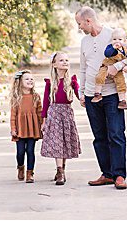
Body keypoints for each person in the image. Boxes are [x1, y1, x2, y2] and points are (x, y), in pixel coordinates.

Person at [76, 6, 127, 190]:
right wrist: (82, 92)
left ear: (88, 21)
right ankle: (106, 173)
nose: (79, 28)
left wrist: (117, 67)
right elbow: (84, 68)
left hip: (112, 94)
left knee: (116, 134)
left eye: (79, 24)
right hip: (92, 95)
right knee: (99, 136)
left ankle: (119, 175)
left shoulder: (113, 34)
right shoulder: (84, 41)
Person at [40, 52, 82, 186]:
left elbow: (79, 95)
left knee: (64, 142)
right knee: (57, 141)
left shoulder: (72, 81)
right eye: (61, 60)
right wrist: (44, 120)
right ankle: (59, 171)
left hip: (67, 114)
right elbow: (46, 102)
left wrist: (84, 99)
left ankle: (62, 169)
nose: (65, 62)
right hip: (54, 114)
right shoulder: (50, 82)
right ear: (54, 64)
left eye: (67, 60)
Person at [9, 70, 42, 183]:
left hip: (32, 129)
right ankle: (20, 167)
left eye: (31, 79)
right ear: (20, 82)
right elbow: (13, 115)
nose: (30, 80)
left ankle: (30, 173)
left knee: (30, 151)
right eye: (27, 79)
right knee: (20, 152)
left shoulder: (36, 97)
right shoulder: (16, 97)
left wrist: (42, 125)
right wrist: (13, 129)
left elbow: (39, 113)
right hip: (20, 129)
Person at [91, 27, 127, 110]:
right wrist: (113, 48)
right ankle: (97, 94)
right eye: (114, 39)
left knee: (121, 82)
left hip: (118, 70)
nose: (117, 41)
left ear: (125, 41)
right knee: (99, 76)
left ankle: (122, 101)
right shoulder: (110, 47)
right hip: (106, 66)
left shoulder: (125, 50)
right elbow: (107, 54)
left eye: (120, 39)